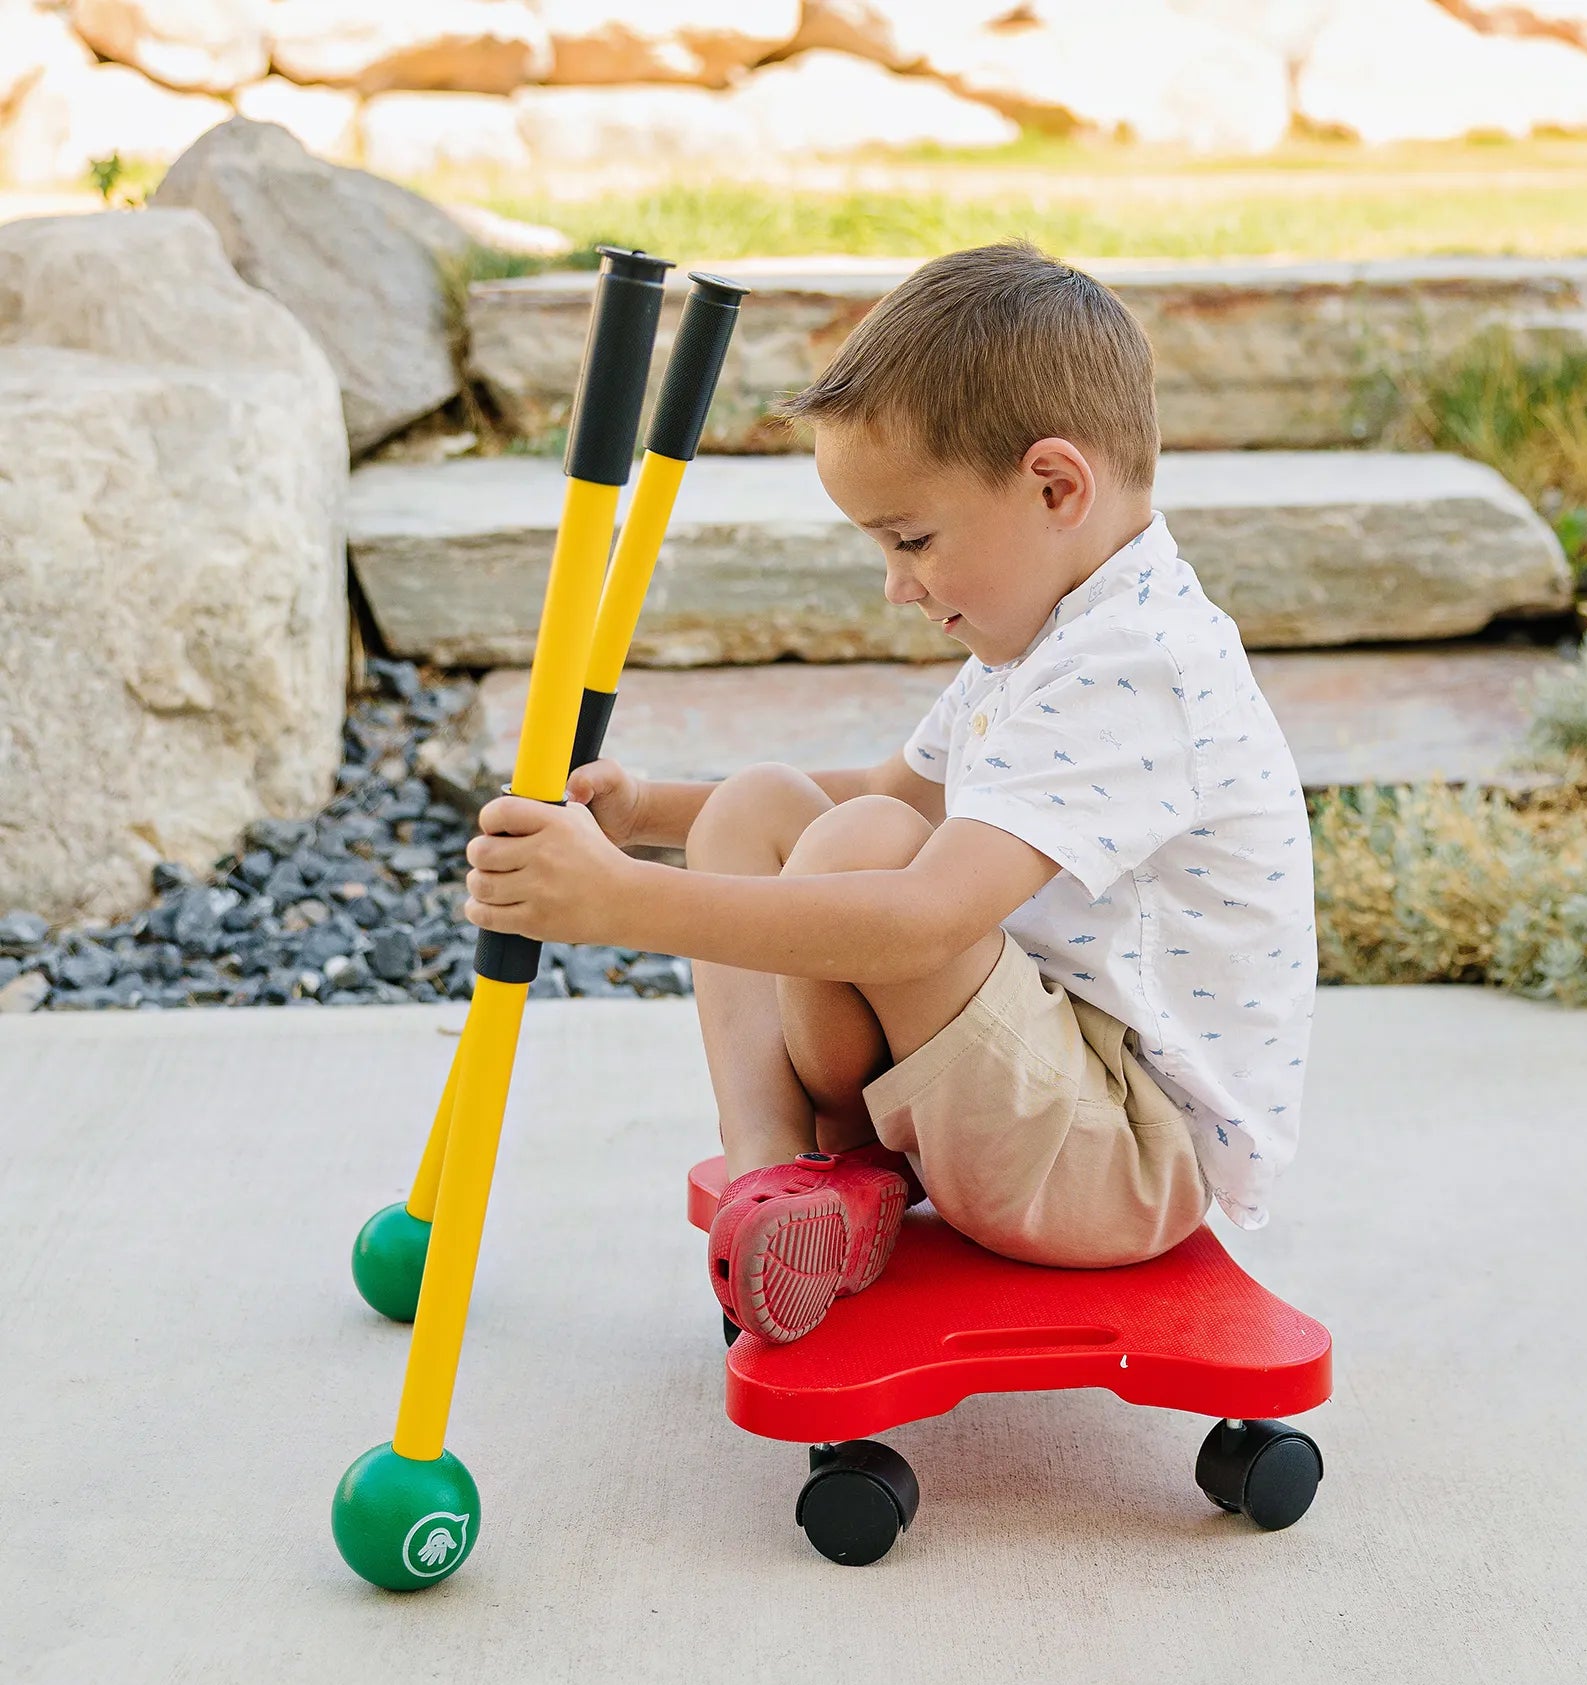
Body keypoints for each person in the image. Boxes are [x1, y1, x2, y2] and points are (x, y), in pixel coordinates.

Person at [463, 240, 1318, 1345]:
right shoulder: (1056, 635)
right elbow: (893, 791)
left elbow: (921, 912)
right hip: (1033, 1091)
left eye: (912, 539)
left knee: (863, 845)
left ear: (1056, 486)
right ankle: (780, 1184)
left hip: (1116, 1158)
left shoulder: (1135, 664)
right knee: (762, 804)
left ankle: (824, 1160)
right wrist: (652, 815)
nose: (895, 584)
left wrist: (615, 901)